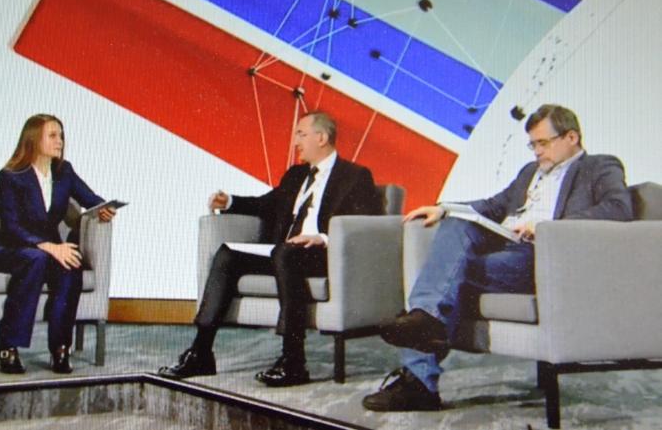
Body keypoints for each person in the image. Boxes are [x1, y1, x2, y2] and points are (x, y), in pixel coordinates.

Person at [362, 104, 633, 411]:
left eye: (543, 143)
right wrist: (444, 208)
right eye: (532, 145)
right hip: (506, 247)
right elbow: (493, 205)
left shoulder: (600, 166)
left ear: (571, 137)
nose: (537, 152)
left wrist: (546, 227)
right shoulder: (530, 172)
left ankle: (419, 380)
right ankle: (426, 326)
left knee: (443, 276)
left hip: (543, 257)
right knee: (455, 226)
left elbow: (618, 208)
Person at [158, 111, 383, 387]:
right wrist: (230, 202)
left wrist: (323, 237)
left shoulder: (355, 175)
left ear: (321, 138)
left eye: (301, 134)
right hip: (283, 253)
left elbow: (368, 223)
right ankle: (201, 352)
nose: (295, 142)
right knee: (228, 254)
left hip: (324, 254)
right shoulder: (296, 175)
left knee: (286, 253)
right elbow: (267, 204)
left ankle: (293, 361)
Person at [0, 114, 116, 374]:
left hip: (46, 251)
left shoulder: (64, 172)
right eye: (52, 135)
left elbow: (90, 198)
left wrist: (103, 208)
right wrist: (49, 246)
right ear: (33, 139)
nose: (59, 141)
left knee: (71, 265)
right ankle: (7, 347)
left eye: (61, 135)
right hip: (8, 248)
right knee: (36, 258)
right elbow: (11, 226)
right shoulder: (10, 176)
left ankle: (61, 349)